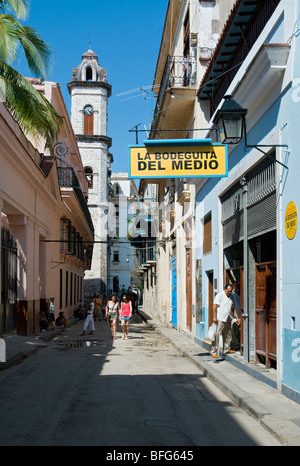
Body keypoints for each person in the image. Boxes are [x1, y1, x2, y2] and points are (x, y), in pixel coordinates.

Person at [210, 284, 238, 358]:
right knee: (217, 334)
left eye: (231, 291)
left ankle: (226, 349)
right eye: (228, 291)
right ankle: (213, 351)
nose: (229, 293)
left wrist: (236, 316)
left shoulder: (231, 297)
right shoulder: (220, 295)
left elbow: (233, 307)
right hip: (220, 318)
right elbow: (214, 306)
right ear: (224, 289)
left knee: (228, 334)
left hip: (228, 317)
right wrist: (214, 317)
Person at [230, 282, 241, 351]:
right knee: (234, 332)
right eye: (236, 286)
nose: (237, 288)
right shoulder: (232, 296)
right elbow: (232, 307)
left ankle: (238, 345)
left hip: (240, 316)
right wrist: (236, 316)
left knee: (239, 332)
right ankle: (235, 346)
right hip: (234, 317)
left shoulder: (241, 295)